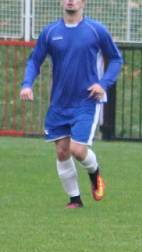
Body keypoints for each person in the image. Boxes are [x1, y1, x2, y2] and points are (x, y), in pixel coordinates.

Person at [20, 0, 122, 209]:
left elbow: (116, 59)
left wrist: (103, 84)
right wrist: (27, 84)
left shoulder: (96, 30)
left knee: (77, 149)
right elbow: (35, 60)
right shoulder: (50, 32)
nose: (71, 0)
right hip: (59, 103)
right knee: (62, 152)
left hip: (86, 101)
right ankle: (75, 200)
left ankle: (95, 173)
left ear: (83, 2)